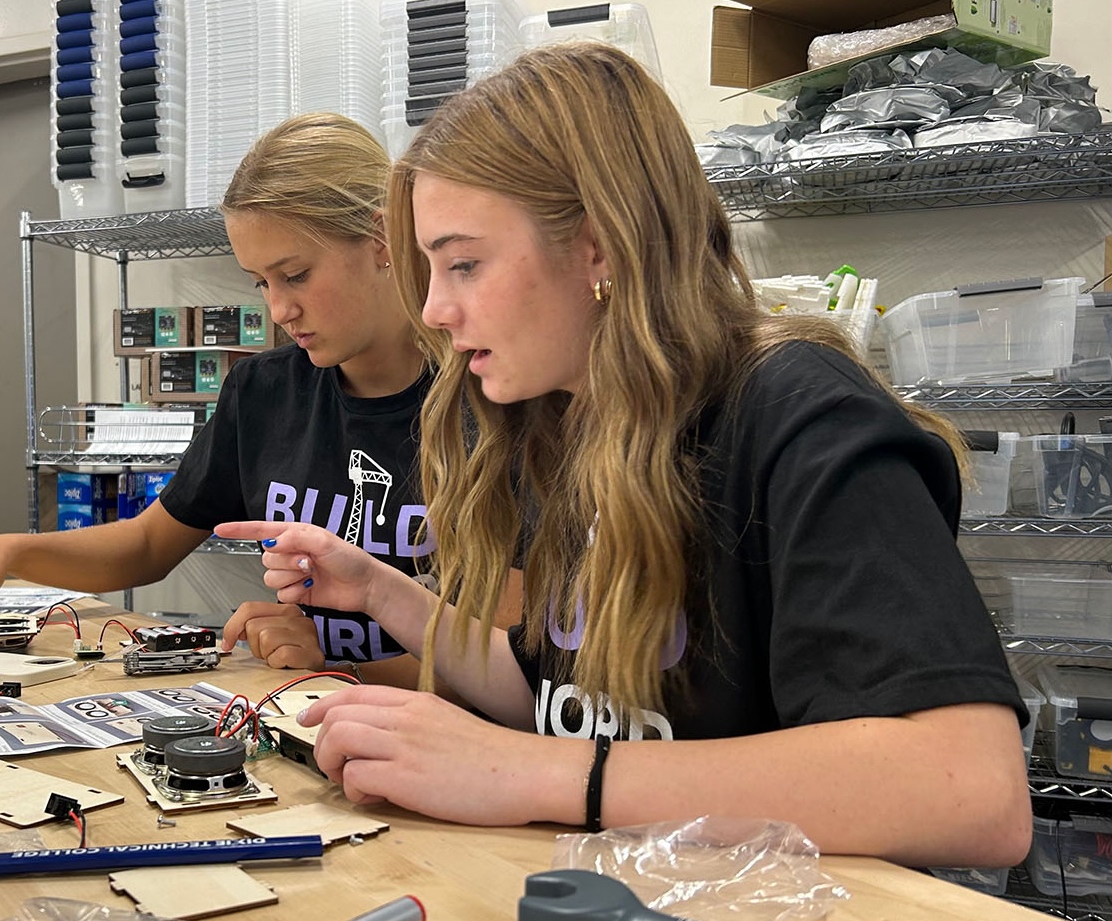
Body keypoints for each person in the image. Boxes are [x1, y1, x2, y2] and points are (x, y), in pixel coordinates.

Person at [213, 43, 1032, 868]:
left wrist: (536, 771)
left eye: (463, 263)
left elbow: (968, 790)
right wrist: (381, 593)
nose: (434, 309)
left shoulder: (797, 413)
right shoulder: (570, 419)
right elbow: (559, 692)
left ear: (599, 247)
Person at [0, 113, 520, 689]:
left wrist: (334, 669)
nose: (279, 310)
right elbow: (147, 545)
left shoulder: (495, 399)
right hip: (306, 722)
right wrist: (12, 551)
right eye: (261, 283)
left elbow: (515, 656)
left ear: (381, 240)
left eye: (295, 274)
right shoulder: (263, 393)